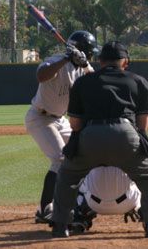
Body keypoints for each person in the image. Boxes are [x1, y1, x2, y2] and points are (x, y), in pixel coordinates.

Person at [51, 41, 148, 238]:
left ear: (100, 61)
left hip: (90, 135)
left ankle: (61, 226)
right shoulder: (138, 81)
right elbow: (142, 126)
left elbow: (75, 124)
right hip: (125, 134)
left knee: (67, 176)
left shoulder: (83, 82)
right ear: (125, 62)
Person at [24, 30, 97, 224]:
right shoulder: (57, 60)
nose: (90, 56)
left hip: (61, 119)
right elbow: (41, 75)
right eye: (89, 53)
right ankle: (45, 209)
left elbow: (98, 83)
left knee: (81, 154)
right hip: (40, 118)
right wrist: (66, 57)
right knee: (60, 159)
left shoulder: (82, 66)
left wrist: (86, 65)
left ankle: (78, 201)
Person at [69, 166, 148, 234]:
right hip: (129, 200)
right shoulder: (129, 137)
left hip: (93, 203)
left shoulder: (86, 137)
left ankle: (79, 217)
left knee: (72, 176)